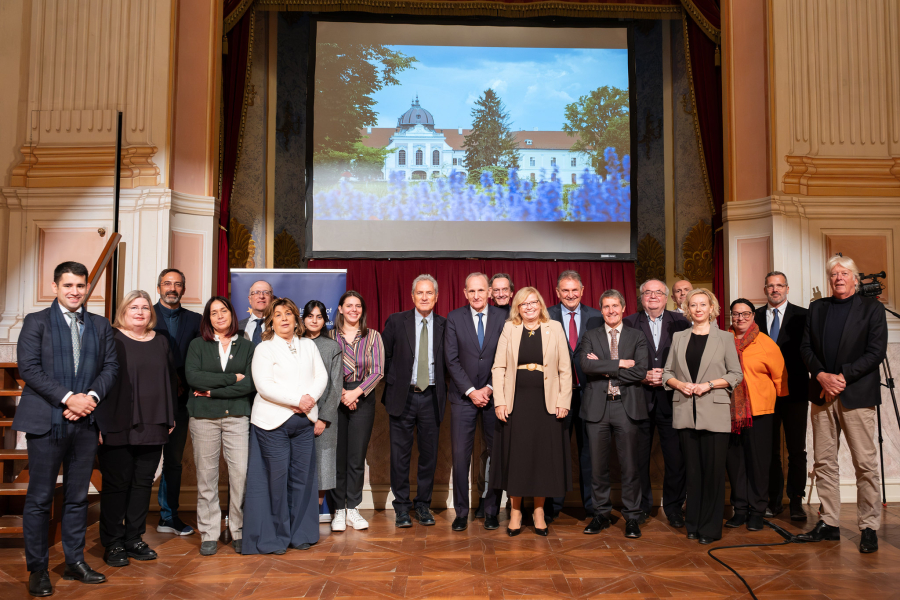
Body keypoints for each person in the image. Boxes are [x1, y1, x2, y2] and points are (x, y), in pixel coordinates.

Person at [15, 262, 118, 596]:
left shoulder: (100, 326)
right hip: (47, 422)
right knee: (40, 498)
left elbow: (110, 367)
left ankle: (74, 562)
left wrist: (88, 397)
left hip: (86, 422)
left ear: (88, 288)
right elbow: (28, 368)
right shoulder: (36, 322)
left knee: (77, 497)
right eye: (68, 285)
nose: (75, 291)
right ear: (55, 287)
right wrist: (67, 398)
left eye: (80, 286)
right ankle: (38, 569)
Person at [798, 255, 887, 554]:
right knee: (824, 462)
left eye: (844, 273)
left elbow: (876, 351)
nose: (838, 278)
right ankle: (831, 523)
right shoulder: (817, 308)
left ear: (854, 277)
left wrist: (841, 377)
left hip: (856, 395)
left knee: (866, 464)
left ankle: (869, 526)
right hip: (822, 394)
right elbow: (806, 348)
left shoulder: (872, 308)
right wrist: (822, 376)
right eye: (834, 273)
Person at [95, 290, 176, 567]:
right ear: (124, 311)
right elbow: (98, 380)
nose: (140, 312)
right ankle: (113, 542)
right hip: (115, 420)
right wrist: (97, 422)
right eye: (134, 307)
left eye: (144, 307)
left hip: (154, 421)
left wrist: (170, 416)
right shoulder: (111, 339)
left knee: (143, 484)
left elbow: (171, 380)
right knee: (117, 485)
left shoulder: (162, 341)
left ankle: (134, 538)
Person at [242, 298, 327, 554]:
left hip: (304, 423)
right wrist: (296, 400)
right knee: (275, 483)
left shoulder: (308, 345)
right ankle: (274, 537)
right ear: (271, 320)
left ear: (296, 318)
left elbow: (321, 376)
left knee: (302, 481)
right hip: (272, 424)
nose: (284, 318)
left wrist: (308, 400)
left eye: (288, 313)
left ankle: (300, 534)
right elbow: (264, 386)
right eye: (277, 314)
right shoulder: (264, 348)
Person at [662, 288, 743, 544]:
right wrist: (679, 385)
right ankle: (693, 525)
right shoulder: (679, 337)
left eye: (702, 305)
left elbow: (735, 375)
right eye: (693, 305)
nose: (698, 309)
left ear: (711, 308)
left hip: (715, 413)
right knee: (693, 473)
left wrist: (709, 385)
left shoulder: (724, 338)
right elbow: (666, 374)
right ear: (688, 309)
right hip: (685, 412)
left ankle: (710, 528)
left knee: (713, 473)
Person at [492, 287, 571, 536]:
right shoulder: (509, 328)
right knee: (517, 457)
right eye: (523, 304)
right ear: (517, 307)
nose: (529, 307)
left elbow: (565, 369)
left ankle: (538, 512)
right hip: (516, 403)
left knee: (542, 458)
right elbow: (499, 367)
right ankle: (515, 512)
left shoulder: (555, 327)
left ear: (541, 304)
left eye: (533, 302)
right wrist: (500, 401)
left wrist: (563, 400)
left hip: (546, 403)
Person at [184, 296, 255, 556]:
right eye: (213, 313)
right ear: (208, 319)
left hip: (237, 415)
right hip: (203, 418)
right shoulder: (196, 345)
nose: (219, 316)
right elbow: (194, 377)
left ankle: (238, 530)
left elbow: (249, 384)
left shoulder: (247, 346)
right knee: (206, 476)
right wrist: (230, 379)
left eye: (223, 310)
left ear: (231, 314)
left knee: (240, 476)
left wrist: (213, 391)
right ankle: (210, 532)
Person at [578, 290, 648, 538]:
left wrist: (603, 367)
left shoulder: (636, 336)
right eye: (606, 306)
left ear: (624, 307)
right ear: (601, 309)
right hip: (597, 407)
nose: (611, 310)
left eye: (615, 306)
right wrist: (619, 363)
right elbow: (586, 366)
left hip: (626, 407)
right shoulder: (590, 336)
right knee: (598, 467)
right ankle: (601, 514)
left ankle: (632, 517)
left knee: (630, 466)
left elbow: (640, 371)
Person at [623, 279, 690, 527]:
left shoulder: (682, 322)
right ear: (641, 297)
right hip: (638, 401)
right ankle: (641, 508)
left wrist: (670, 376)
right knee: (638, 459)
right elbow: (619, 360)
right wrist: (641, 375)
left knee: (675, 459)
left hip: (672, 400)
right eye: (647, 292)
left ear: (666, 297)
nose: (653, 296)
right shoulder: (629, 322)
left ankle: (673, 508)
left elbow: (690, 361)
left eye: (658, 292)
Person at [382, 275, 447, 528]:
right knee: (400, 455)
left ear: (436, 297)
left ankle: (422, 505)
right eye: (419, 293)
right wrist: (396, 380)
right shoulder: (397, 321)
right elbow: (383, 355)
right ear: (412, 296)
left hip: (432, 397)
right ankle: (401, 507)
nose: (424, 297)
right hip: (403, 396)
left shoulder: (444, 324)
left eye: (429, 293)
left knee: (429, 456)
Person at [445, 273, 505, 532]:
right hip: (462, 397)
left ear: (490, 292)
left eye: (481, 290)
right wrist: (471, 391)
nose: (477, 295)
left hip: (495, 397)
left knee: (496, 455)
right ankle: (461, 512)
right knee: (460, 456)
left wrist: (489, 388)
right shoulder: (454, 318)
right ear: (464, 293)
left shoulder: (504, 318)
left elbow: (505, 357)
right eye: (472, 291)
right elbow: (451, 359)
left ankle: (491, 510)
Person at [724, 299, 787, 532]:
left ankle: (757, 511)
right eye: (736, 314)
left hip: (760, 412)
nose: (740, 318)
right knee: (735, 463)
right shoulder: (722, 340)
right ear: (731, 316)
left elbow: (780, 376)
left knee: (759, 464)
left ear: (753, 316)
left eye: (745, 313)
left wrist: (774, 403)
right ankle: (740, 510)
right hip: (729, 412)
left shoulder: (765, 343)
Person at [754, 271, 809, 521]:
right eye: (770, 286)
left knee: (797, 449)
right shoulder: (753, 317)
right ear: (765, 289)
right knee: (770, 450)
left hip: (796, 391)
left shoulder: (803, 315)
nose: (775, 290)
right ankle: (773, 500)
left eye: (779, 286)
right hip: (764, 394)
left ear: (787, 288)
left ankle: (796, 501)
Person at [546, 270, 600, 520]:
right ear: (557, 292)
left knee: (589, 452)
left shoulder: (596, 317)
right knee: (556, 451)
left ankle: (591, 506)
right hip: (556, 395)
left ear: (582, 290)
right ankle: (552, 507)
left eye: (574, 290)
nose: (570, 295)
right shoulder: (546, 315)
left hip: (589, 394)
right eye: (565, 290)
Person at [328, 291, 384, 531]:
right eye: (348, 305)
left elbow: (378, 370)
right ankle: (339, 509)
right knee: (338, 456)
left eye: (358, 306)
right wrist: (342, 393)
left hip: (363, 397)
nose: (353, 310)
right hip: (334, 397)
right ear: (340, 309)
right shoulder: (329, 336)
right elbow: (323, 368)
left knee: (356, 457)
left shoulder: (373, 336)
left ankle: (354, 508)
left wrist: (355, 393)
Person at [153, 268, 202, 537]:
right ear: (159, 287)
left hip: (181, 401)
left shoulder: (195, 320)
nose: (172, 288)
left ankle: (169, 516)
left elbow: (200, 359)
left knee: (173, 461)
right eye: (167, 283)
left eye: (178, 284)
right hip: (149, 402)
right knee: (144, 461)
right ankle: (130, 518)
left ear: (184, 289)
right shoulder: (144, 313)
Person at [300, 300, 342, 526]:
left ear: (324, 320)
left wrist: (323, 418)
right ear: (303, 319)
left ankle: (312, 518)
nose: (314, 321)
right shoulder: (294, 343)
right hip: (295, 416)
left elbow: (335, 386)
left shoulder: (332, 347)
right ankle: (297, 513)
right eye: (310, 316)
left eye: (318, 316)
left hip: (323, 419)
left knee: (322, 467)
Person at [239, 280, 275, 346]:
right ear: (250, 299)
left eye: (266, 292)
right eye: (256, 292)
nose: (261, 296)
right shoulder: (237, 328)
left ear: (272, 299)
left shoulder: (280, 325)